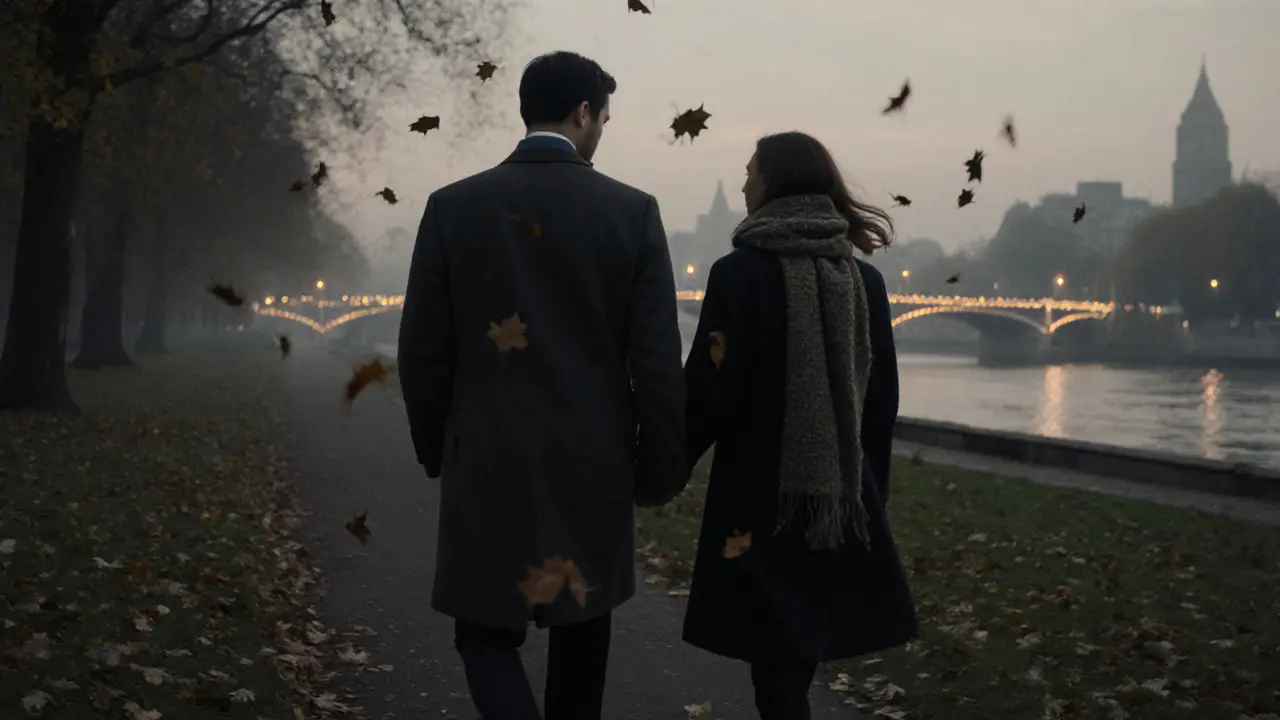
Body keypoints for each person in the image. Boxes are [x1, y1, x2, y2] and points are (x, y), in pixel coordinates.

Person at [397, 51, 686, 719]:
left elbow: (424, 354)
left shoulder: (452, 208)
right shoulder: (632, 213)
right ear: (584, 112)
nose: (602, 131)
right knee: (582, 637)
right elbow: (657, 364)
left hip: (488, 454)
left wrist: (437, 446)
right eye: (604, 118)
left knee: (484, 634)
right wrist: (656, 469)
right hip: (592, 460)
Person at [678, 131, 919, 719]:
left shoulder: (738, 274)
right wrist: (870, 489)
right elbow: (879, 403)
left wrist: (663, 464)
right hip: (838, 489)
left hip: (757, 494)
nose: (742, 183)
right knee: (796, 645)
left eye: (750, 172)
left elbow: (711, 392)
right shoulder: (864, 281)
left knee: (775, 654)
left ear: (774, 182)